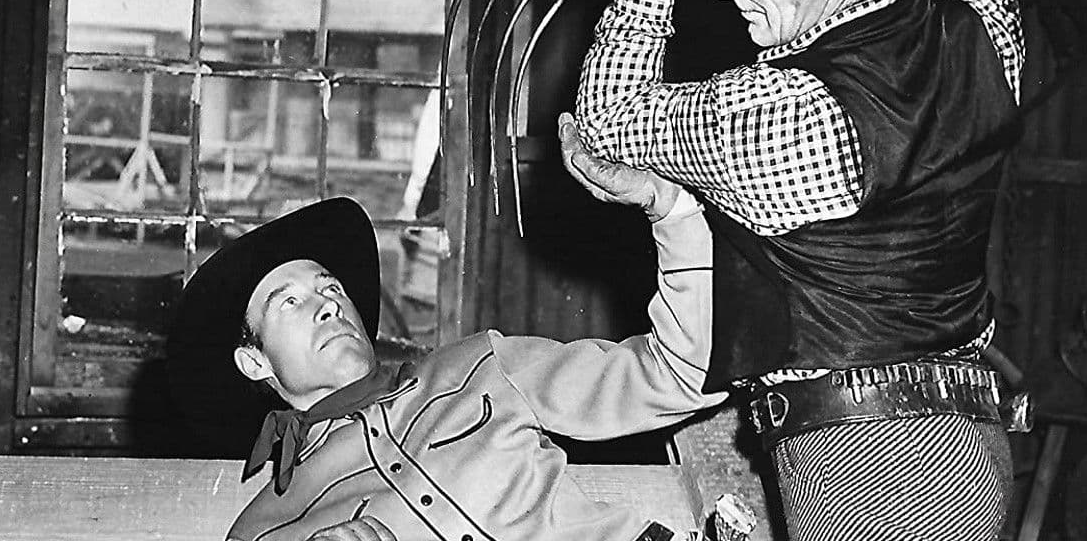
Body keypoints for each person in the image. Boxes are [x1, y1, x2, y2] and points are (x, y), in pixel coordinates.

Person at [574, 0, 1024, 539]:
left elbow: (606, 119)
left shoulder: (785, 117)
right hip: (968, 450)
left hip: (864, 467)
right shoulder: (979, 21)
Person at [166, 122, 726, 541]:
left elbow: (677, 375)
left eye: (330, 286)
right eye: (289, 302)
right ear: (255, 361)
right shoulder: (265, 530)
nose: (327, 305)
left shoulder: (481, 366)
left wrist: (671, 209)